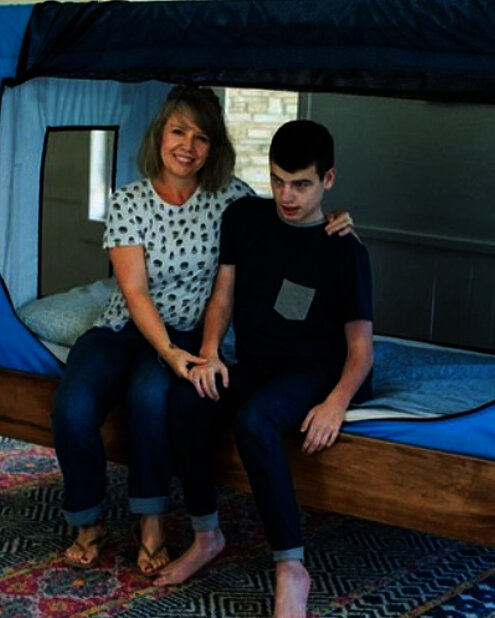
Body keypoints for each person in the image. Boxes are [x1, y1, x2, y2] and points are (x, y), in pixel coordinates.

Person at [50, 88, 353, 572]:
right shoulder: (128, 201)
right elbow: (135, 293)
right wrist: (168, 353)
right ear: (160, 134)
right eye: (178, 131)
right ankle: (88, 520)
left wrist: (338, 221)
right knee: (72, 404)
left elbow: (292, 211)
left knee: (151, 397)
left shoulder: (233, 199)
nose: (187, 146)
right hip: (123, 327)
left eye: (201, 137)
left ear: (214, 147)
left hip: (188, 331)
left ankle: (150, 522)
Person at [158, 120, 374, 618]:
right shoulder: (244, 218)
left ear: (329, 180)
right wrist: (210, 352)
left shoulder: (344, 248)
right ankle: (206, 536)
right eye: (277, 180)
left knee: (255, 421)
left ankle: (291, 568)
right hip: (260, 363)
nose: (287, 195)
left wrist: (336, 404)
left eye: (301, 184)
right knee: (188, 398)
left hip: (321, 370)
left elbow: (362, 350)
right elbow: (223, 296)